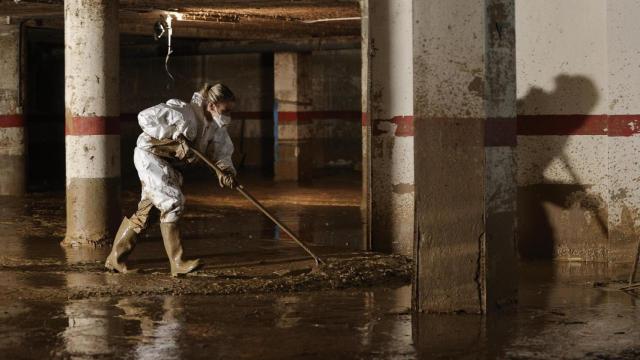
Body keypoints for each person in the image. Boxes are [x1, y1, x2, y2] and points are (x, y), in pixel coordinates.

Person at [105, 83, 237, 276]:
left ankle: (115, 259)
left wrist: (226, 171)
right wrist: (174, 136)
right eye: (226, 110)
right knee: (172, 202)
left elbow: (222, 153)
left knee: (147, 214)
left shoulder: (216, 128)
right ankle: (178, 262)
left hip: (169, 166)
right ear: (212, 106)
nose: (228, 115)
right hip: (151, 157)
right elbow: (144, 117)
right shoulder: (183, 112)